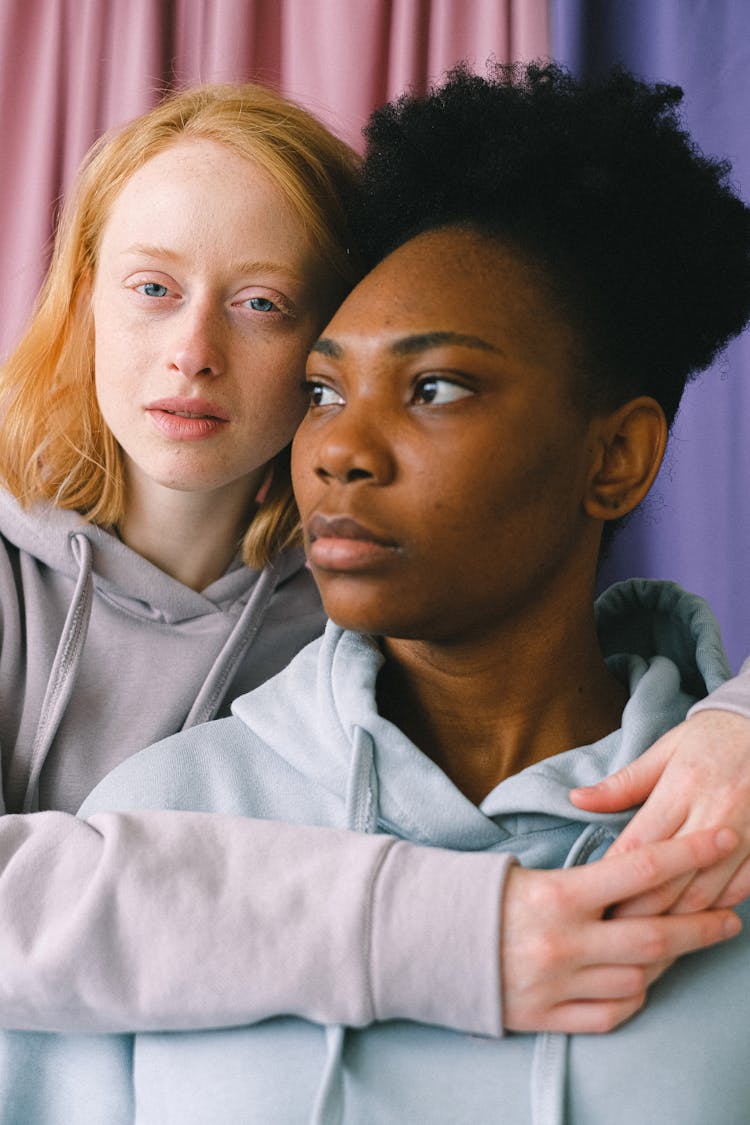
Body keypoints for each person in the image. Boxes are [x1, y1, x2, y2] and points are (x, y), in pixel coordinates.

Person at [45, 61, 750, 1123]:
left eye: (434, 388)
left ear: (617, 457)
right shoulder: (158, 816)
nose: (340, 451)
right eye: (326, 392)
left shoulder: (729, 824)